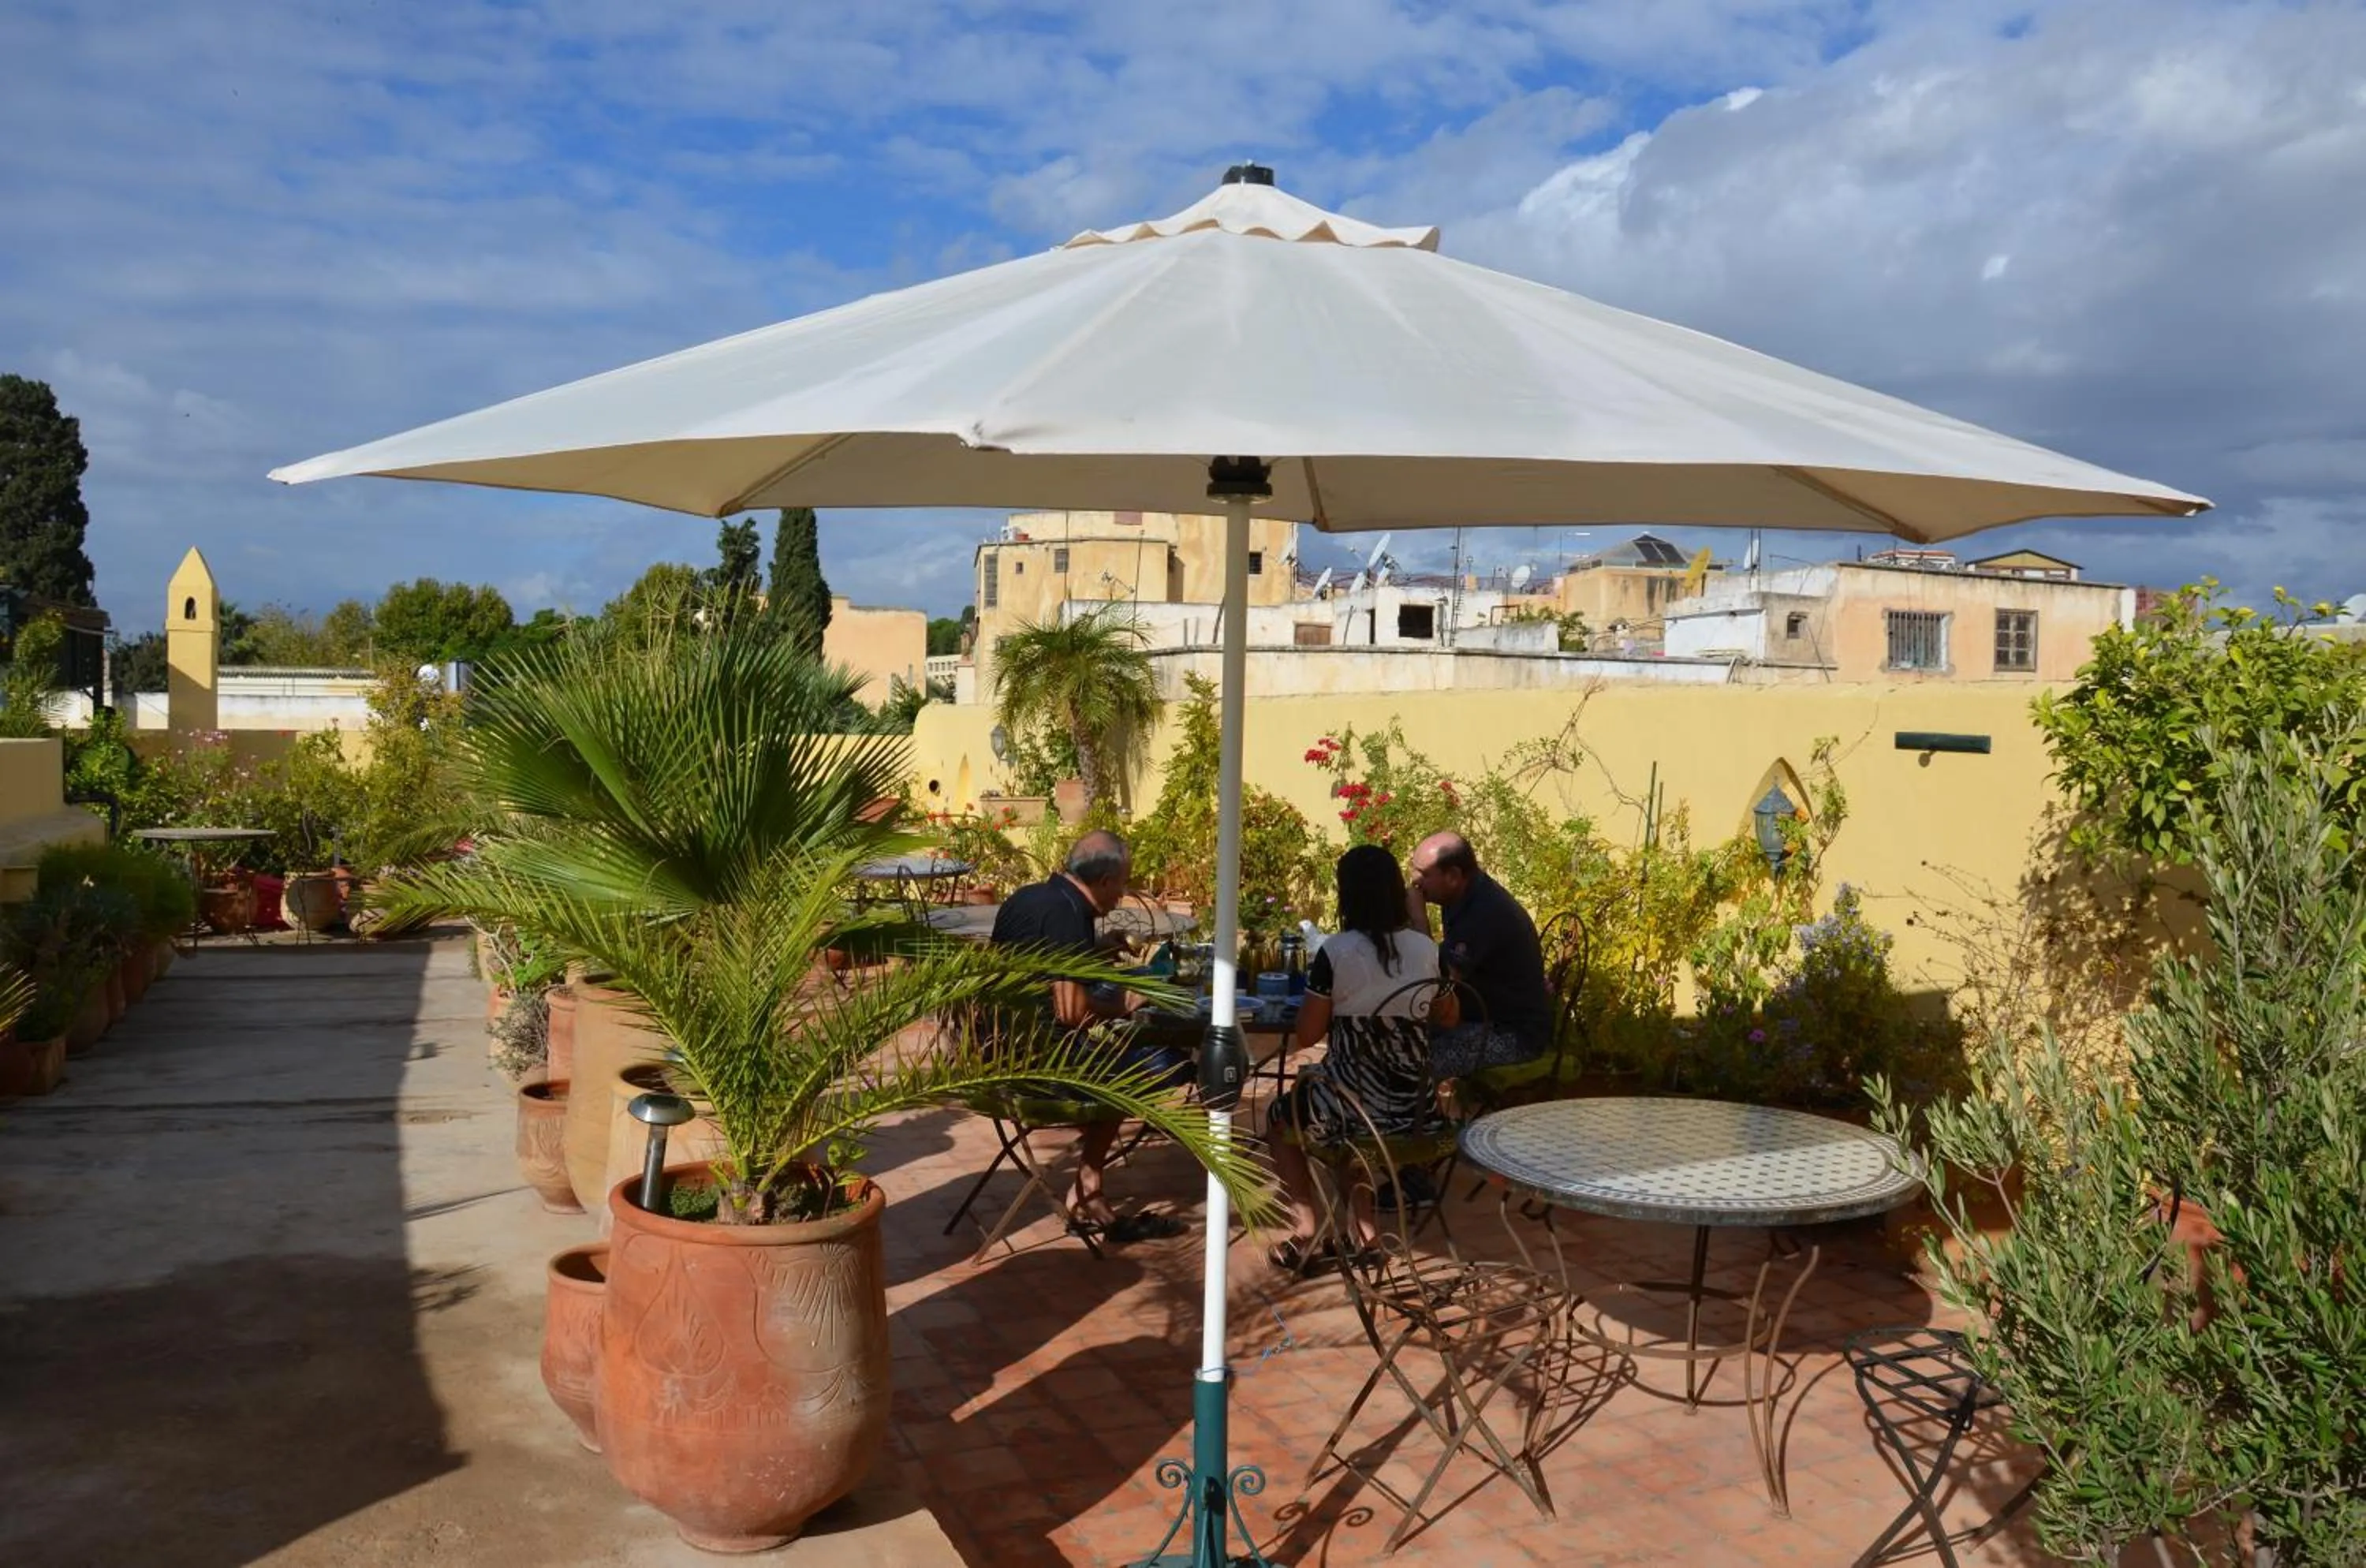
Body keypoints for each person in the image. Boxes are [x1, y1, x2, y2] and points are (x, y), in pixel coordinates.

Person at [988, 830, 1191, 1244]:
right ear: (1103, 882)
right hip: (1038, 1072)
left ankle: (1089, 1173)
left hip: (997, 1054)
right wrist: (1125, 1008)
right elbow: (1072, 1012)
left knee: (1122, 1053)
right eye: (1122, 883)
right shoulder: (1067, 916)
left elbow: (1044, 969)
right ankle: (1088, 1188)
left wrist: (1095, 948)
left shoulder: (1028, 898)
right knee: (1160, 1065)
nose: (1122, 895)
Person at [1262, 844, 1454, 1274]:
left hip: (1356, 1113)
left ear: (1346, 895)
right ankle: (1363, 1234)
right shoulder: (1426, 951)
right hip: (1416, 1113)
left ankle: (1306, 1228)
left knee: (1283, 1117)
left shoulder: (1337, 952)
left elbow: (1307, 1035)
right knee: (1345, 1112)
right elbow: (1450, 1014)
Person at [1404, 831, 1552, 1080]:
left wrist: (1419, 920)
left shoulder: (1485, 912)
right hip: (1478, 1016)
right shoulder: (1461, 895)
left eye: (1424, 874)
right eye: (1414, 870)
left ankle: (1422, 1118)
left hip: (1511, 1035)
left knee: (1412, 1065)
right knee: (1398, 1041)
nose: (1414, 881)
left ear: (1453, 876)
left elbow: (1438, 983)